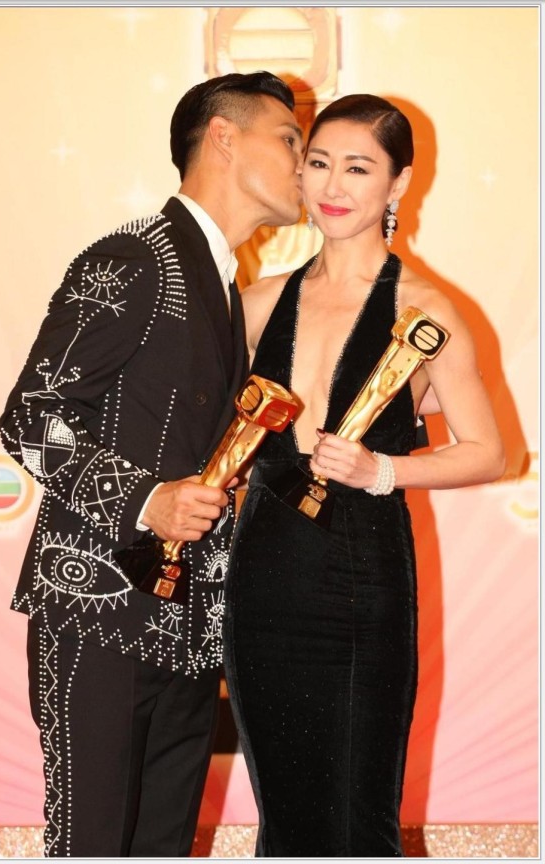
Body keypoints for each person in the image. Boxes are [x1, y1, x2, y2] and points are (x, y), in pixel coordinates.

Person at [0, 71, 303, 858]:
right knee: (92, 845)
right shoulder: (136, 256)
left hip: (188, 625)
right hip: (97, 611)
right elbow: (29, 416)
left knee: (163, 846)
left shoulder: (224, 285)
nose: (303, 162)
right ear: (223, 137)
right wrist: (146, 499)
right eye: (289, 138)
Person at [223, 94, 505, 857]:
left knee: (358, 814)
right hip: (262, 583)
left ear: (398, 183)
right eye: (318, 163)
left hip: (362, 581)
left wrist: (384, 468)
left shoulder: (425, 310)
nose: (332, 186)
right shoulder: (257, 303)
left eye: (357, 168)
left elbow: (489, 451)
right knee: (284, 814)